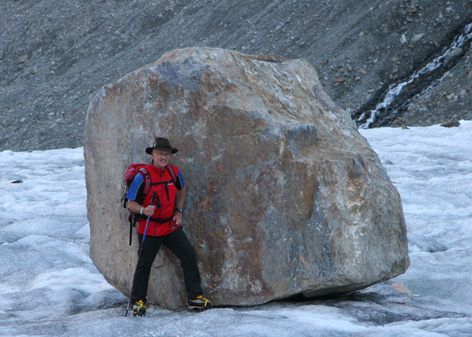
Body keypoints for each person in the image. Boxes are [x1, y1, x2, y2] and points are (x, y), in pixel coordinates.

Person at [126, 137, 212, 316]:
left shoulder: (174, 172)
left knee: (188, 254)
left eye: (167, 154)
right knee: (144, 264)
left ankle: (195, 298)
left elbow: (182, 188)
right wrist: (143, 210)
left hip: (170, 226)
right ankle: (137, 301)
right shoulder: (143, 176)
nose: (164, 157)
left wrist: (178, 210)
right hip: (149, 228)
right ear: (153, 154)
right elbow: (130, 203)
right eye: (160, 154)